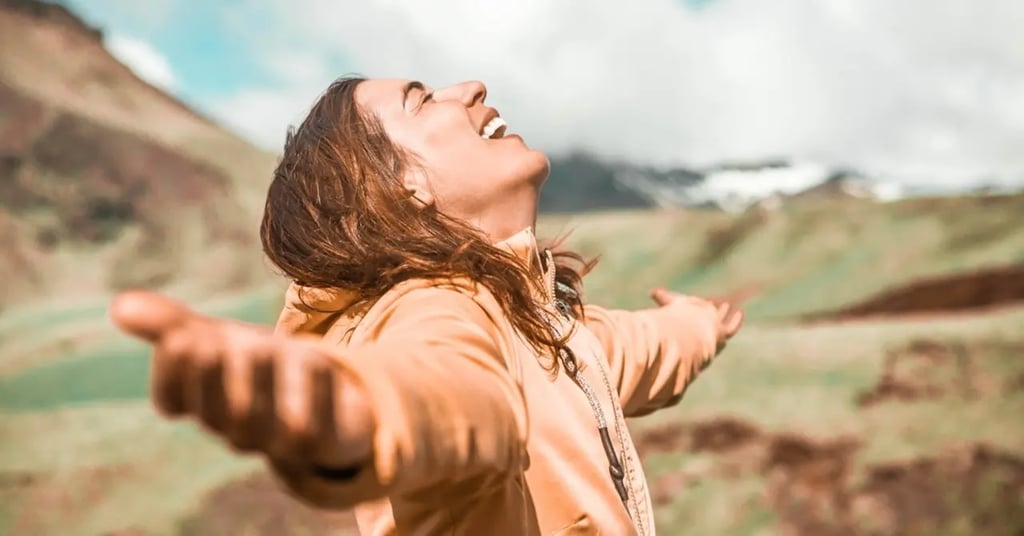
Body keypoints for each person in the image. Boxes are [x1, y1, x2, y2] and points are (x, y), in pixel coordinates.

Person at [110, 76, 743, 535]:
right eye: (421, 99)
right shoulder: (435, 307)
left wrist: (699, 322)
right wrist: (358, 413)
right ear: (399, 186)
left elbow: (634, 350)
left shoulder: (536, 318)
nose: (469, 88)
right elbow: (441, 390)